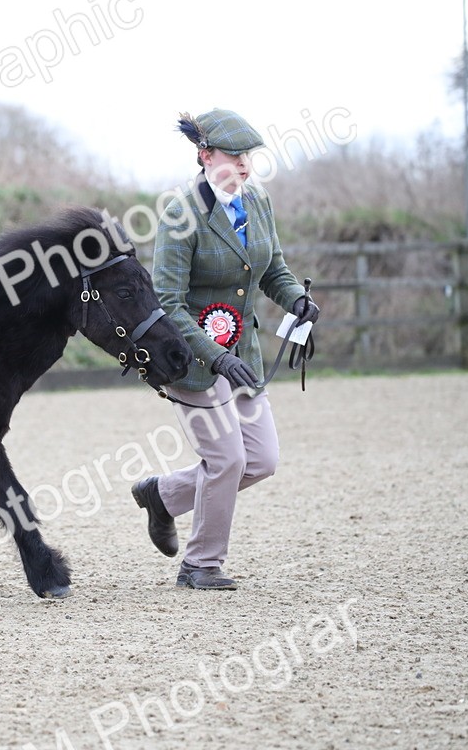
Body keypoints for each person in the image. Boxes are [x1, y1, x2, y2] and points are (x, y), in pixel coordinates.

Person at [131, 109, 320, 590]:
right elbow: (167, 303)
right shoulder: (180, 214)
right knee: (227, 461)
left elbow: (272, 268)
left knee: (262, 460)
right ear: (205, 155)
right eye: (234, 158)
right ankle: (201, 564)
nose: (244, 168)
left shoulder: (257, 202)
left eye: (248, 159)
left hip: (246, 357)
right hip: (194, 363)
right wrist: (215, 356)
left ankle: (164, 494)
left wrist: (296, 298)